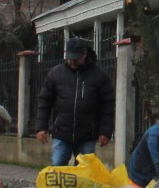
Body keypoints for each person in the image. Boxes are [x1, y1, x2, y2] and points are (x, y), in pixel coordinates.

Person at [34, 36, 115, 166]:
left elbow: (108, 106)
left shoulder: (99, 76)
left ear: (84, 55)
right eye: (70, 58)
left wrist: (105, 131)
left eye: (76, 59)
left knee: (84, 172)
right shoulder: (55, 73)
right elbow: (44, 102)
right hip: (61, 133)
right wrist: (41, 128)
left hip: (87, 134)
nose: (72, 62)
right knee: (58, 168)